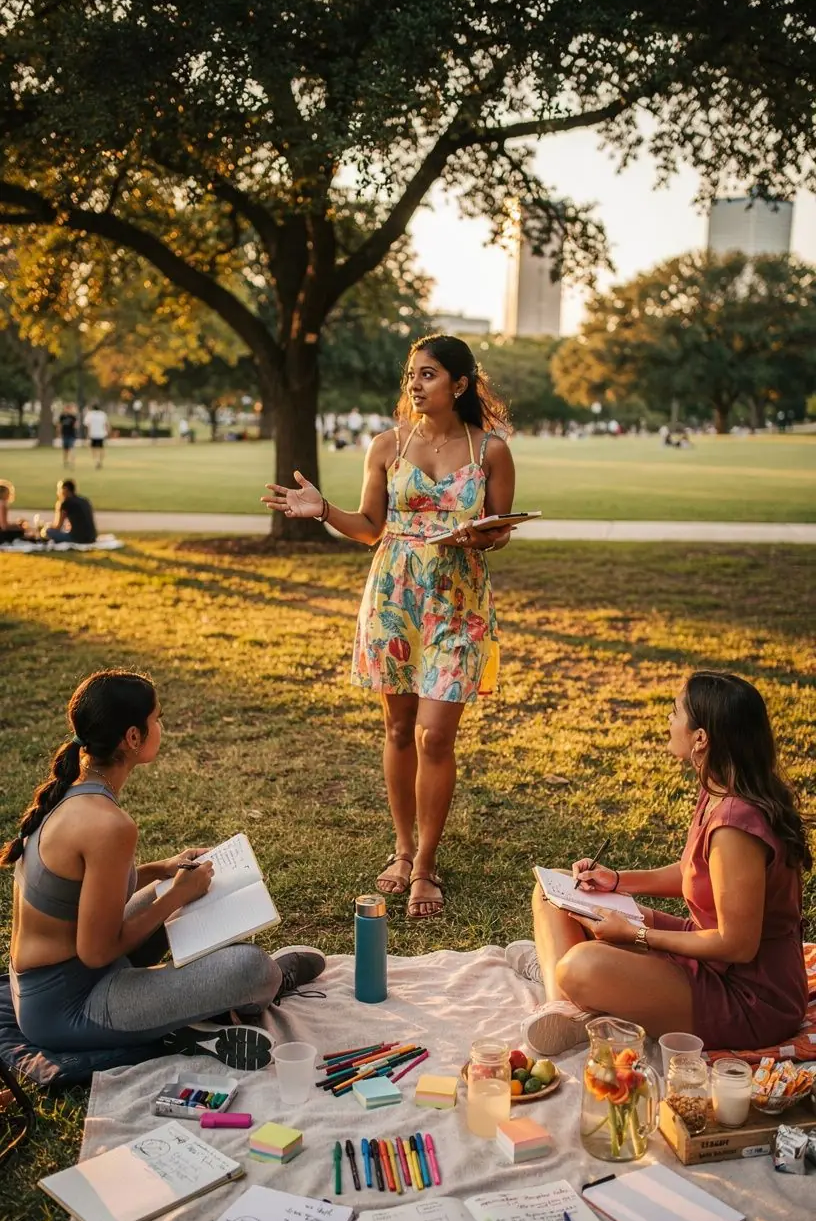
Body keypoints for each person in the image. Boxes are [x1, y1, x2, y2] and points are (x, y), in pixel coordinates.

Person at [263, 334, 516, 919]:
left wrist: (485, 535)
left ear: (459, 383)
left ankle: (427, 864)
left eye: (428, 375)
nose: (415, 385)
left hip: (458, 602)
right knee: (401, 730)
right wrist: (323, 511)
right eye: (411, 375)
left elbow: (499, 529)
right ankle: (402, 851)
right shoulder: (386, 446)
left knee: (435, 733)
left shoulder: (491, 452)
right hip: (394, 597)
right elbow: (371, 526)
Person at [2, 670, 326, 1065]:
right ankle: (243, 997)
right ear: (133, 737)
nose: (162, 727)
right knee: (254, 968)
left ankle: (188, 1017)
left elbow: (84, 894)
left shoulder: (70, 790)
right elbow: (96, 952)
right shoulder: (108, 825)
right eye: (157, 718)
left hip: (48, 990)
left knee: (170, 897)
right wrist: (176, 896)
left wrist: (162, 870)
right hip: (70, 1008)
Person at [507, 672, 810, 1054]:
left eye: (675, 712)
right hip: (708, 955)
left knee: (580, 965)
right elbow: (692, 874)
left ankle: (566, 988)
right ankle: (563, 1008)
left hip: (749, 996)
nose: (669, 720)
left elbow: (737, 945)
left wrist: (635, 936)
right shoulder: (718, 789)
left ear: (701, 738)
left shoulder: (736, 825)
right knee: (555, 891)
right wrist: (616, 881)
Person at [45, 478, 97, 544]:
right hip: (92, 537)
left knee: (48, 531)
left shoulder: (65, 503)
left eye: (59, 490)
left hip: (77, 539)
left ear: (65, 489)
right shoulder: (84, 500)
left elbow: (58, 526)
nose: (58, 493)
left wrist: (47, 526)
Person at [84, 402, 110, 469]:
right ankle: (100, 460)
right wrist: (107, 432)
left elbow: (88, 425)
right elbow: (106, 424)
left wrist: (88, 435)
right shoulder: (102, 414)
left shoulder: (90, 414)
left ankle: (96, 460)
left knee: (93, 448)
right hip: (101, 434)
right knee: (101, 448)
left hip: (93, 434)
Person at [58, 406, 78, 470]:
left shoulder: (73, 417)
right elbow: (60, 425)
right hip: (65, 434)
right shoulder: (62, 417)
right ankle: (65, 461)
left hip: (71, 435)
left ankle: (72, 462)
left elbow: (76, 425)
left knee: (72, 448)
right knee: (65, 449)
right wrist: (59, 433)